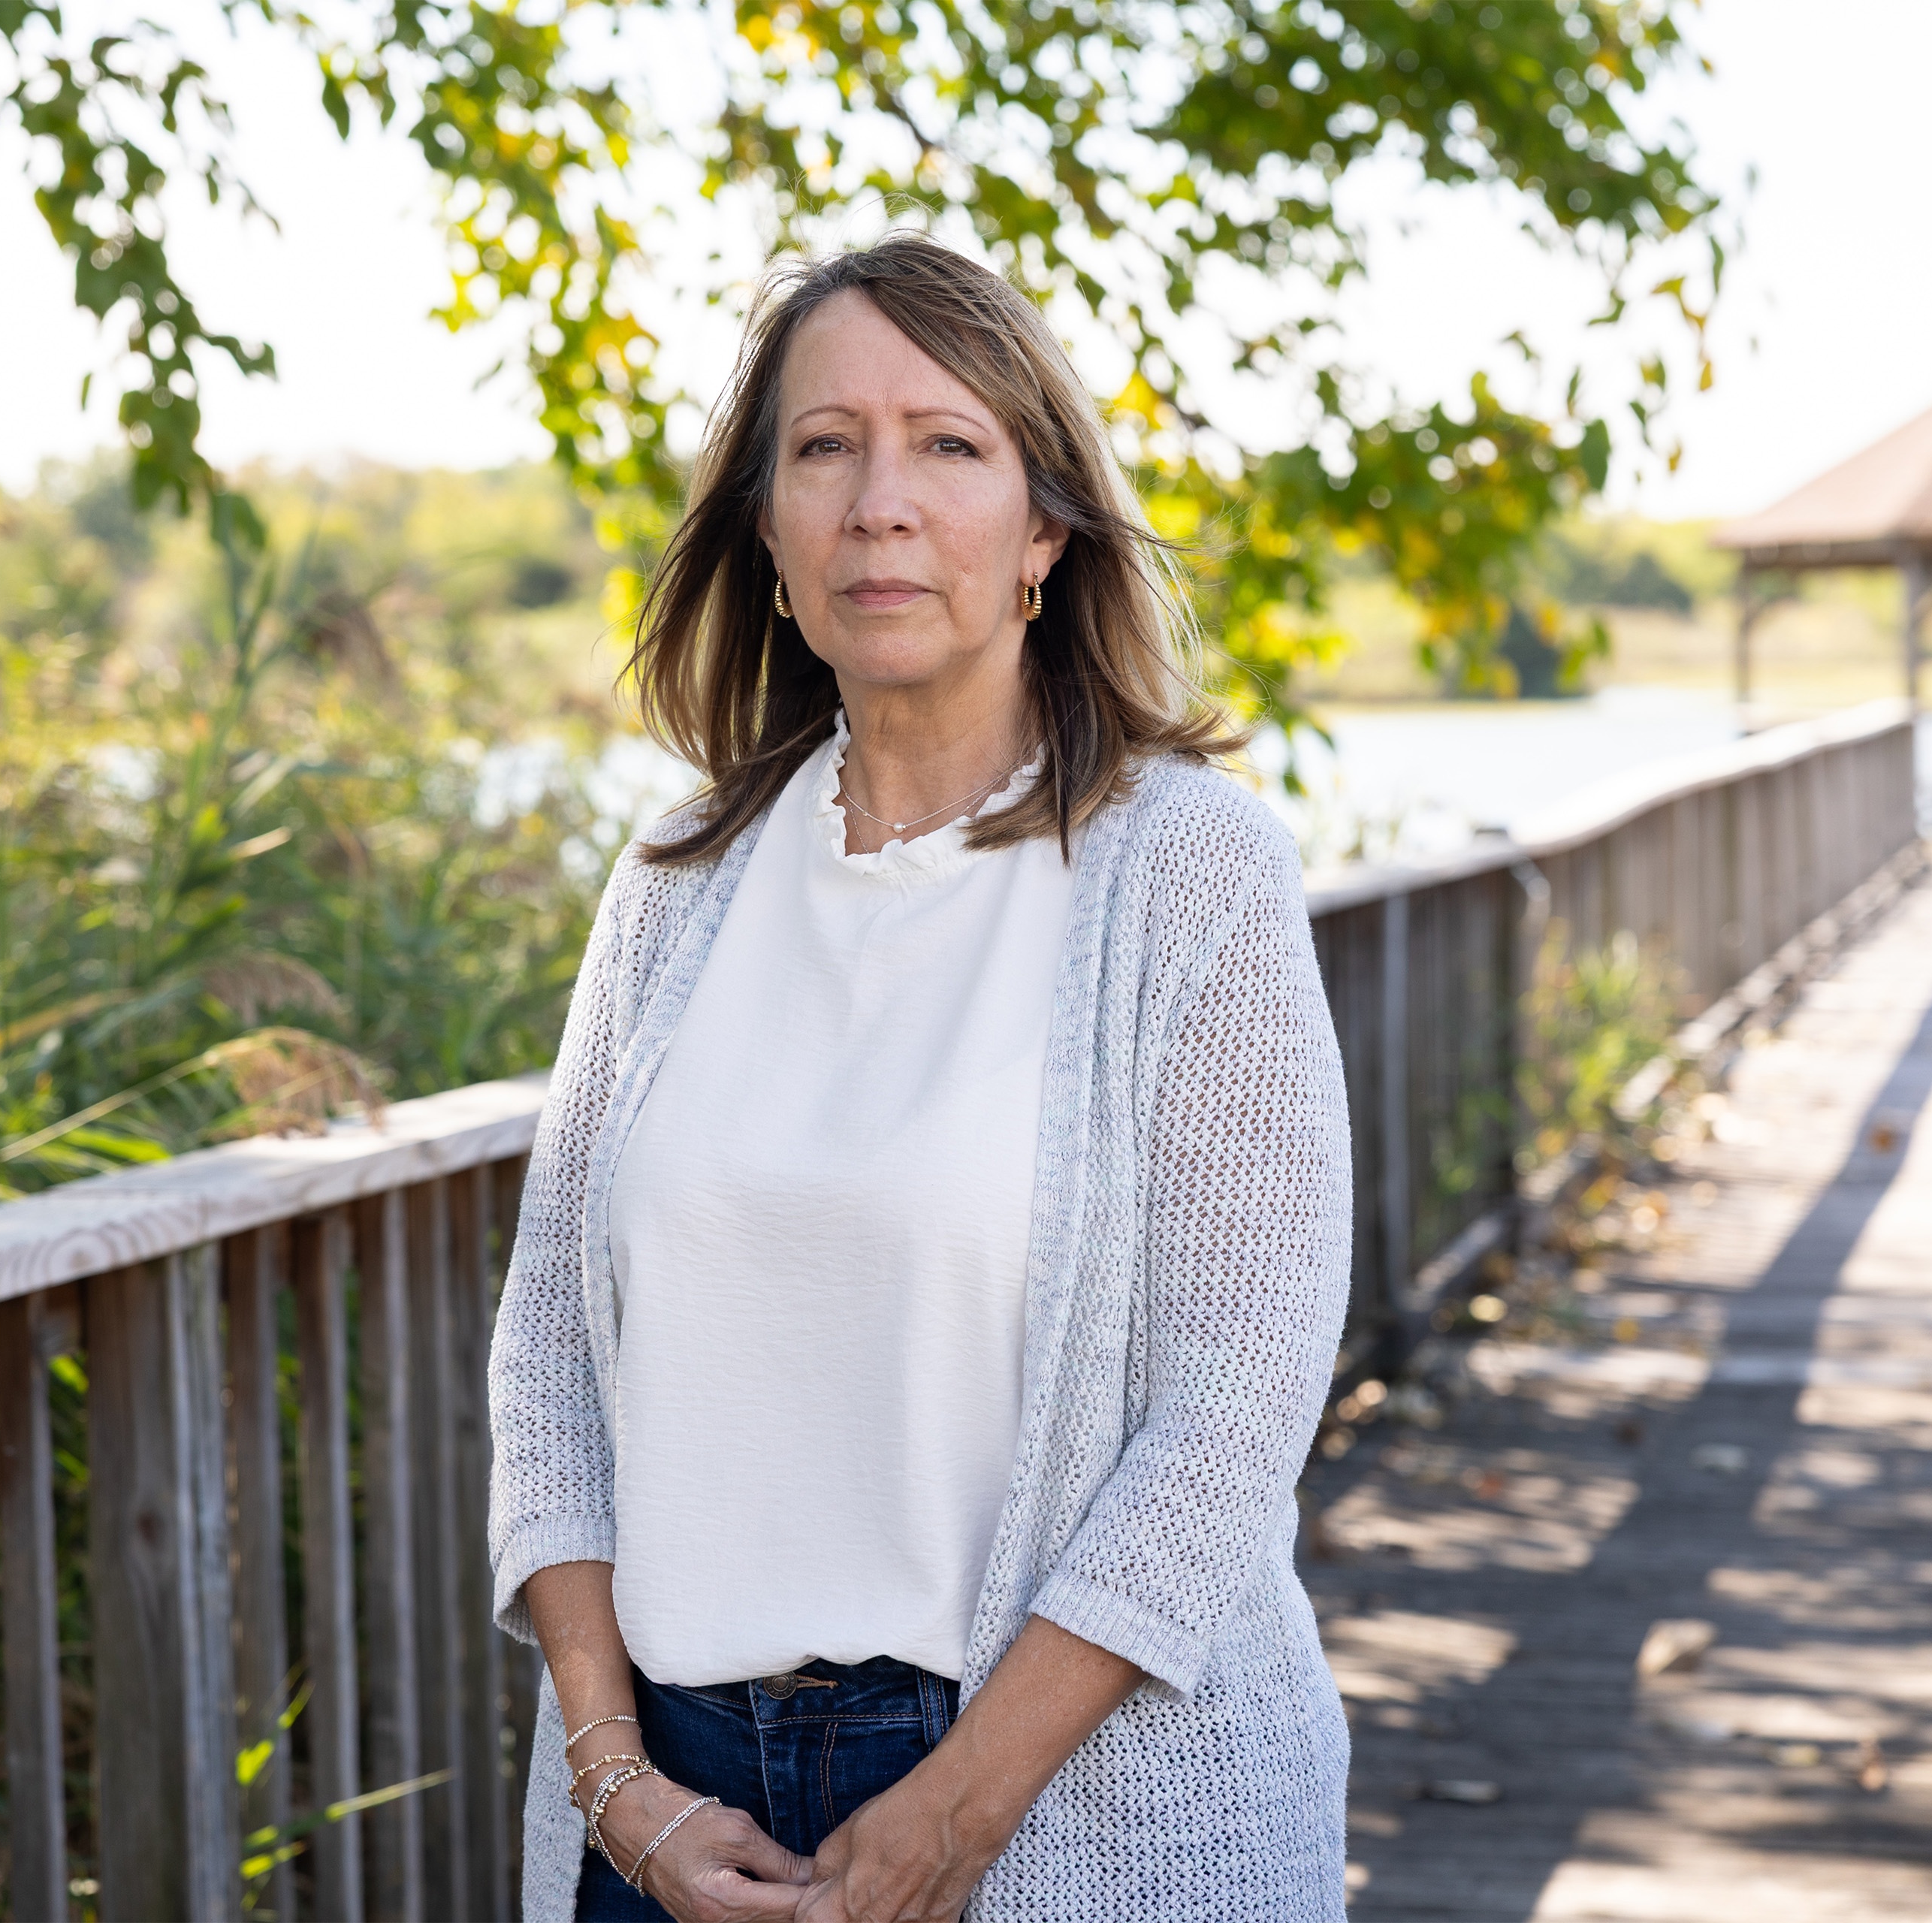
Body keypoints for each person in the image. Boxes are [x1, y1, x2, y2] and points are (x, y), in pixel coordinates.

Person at [485, 231, 1355, 1923]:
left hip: (1061, 1800)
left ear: (1044, 528)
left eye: (947, 445)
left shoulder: (1192, 873)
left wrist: (959, 1808)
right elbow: (547, 1358)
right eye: (826, 447)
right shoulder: (676, 881)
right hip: (666, 1821)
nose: (881, 500)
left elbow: (1233, 1407)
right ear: (771, 531)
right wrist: (616, 1783)